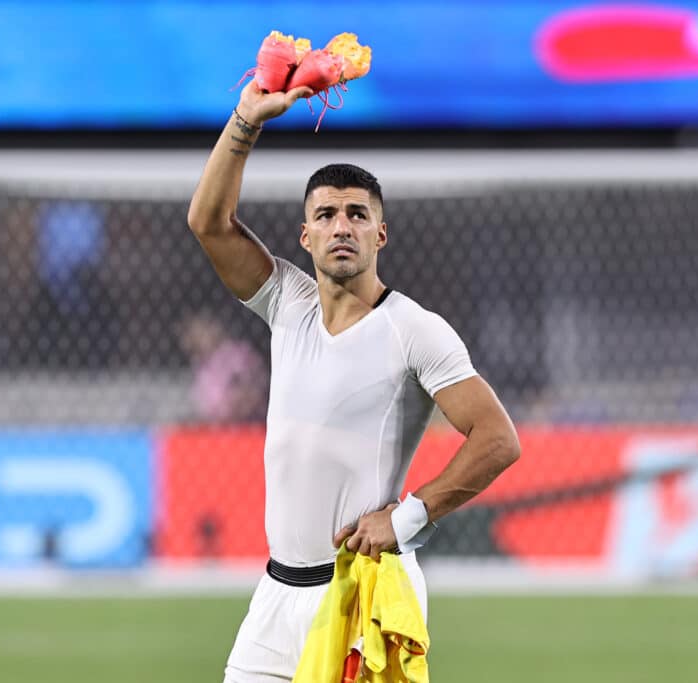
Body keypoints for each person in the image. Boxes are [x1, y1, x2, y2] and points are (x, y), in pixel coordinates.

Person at [187, 80, 521, 682]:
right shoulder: (288, 301)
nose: (342, 225)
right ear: (305, 236)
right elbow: (209, 223)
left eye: (357, 215)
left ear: (380, 234)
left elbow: (498, 438)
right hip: (275, 593)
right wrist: (247, 117)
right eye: (326, 215)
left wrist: (409, 517)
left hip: (361, 592)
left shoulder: (415, 330)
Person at [177, 310, 268, 423]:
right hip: (216, 429)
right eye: (192, 335)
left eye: (201, 332)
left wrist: (237, 401)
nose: (197, 339)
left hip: (250, 424)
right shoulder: (200, 367)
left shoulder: (238, 354)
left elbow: (255, 391)